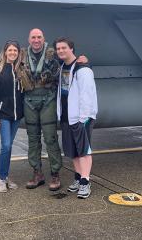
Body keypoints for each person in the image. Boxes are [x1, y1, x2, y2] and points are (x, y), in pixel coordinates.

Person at [16, 28, 87, 191]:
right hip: (29, 101)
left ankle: (55, 174)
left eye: (39, 37)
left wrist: (83, 59)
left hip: (48, 99)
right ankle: (37, 173)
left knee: (50, 138)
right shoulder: (21, 54)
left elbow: (68, 59)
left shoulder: (53, 53)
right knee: (33, 139)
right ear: (29, 39)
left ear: (43, 38)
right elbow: (7, 61)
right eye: (33, 37)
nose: (36, 40)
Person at [55, 37, 97, 199]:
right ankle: (78, 178)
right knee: (72, 150)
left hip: (81, 117)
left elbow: (87, 94)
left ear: (71, 49)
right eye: (58, 49)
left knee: (84, 150)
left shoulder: (82, 68)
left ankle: (86, 182)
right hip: (66, 115)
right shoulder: (62, 67)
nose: (60, 51)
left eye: (63, 48)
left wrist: (84, 117)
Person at [0, 40, 24, 193]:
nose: (12, 53)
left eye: (15, 50)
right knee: (6, 146)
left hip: (16, 116)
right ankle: (2, 179)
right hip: (3, 115)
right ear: (5, 52)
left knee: (8, 148)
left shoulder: (20, 69)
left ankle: (6, 176)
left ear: (18, 53)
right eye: (10, 50)